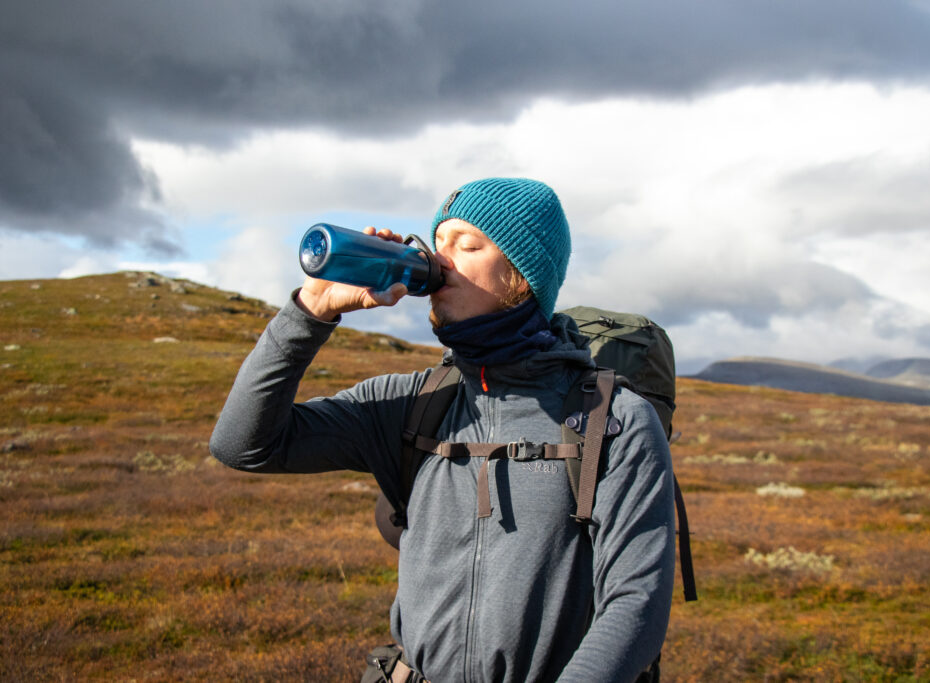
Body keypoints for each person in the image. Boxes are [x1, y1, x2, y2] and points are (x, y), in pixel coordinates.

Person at [210, 178, 676, 682]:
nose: (441, 260)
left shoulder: (615, 420)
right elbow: (243, 446)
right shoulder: (409, 402)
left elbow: (635, 603)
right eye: (439, 244)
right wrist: (311, 310)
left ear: (524, 275)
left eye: (469, 245)